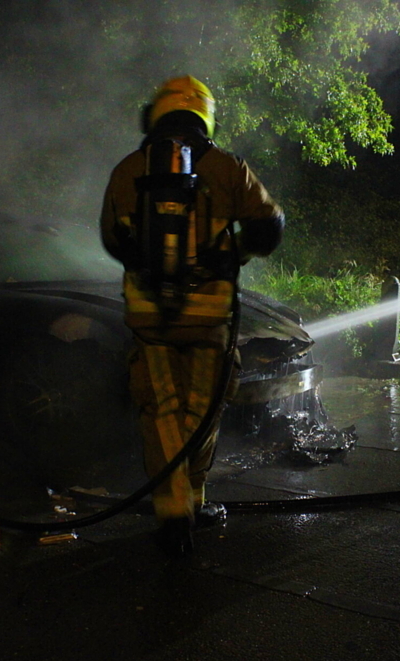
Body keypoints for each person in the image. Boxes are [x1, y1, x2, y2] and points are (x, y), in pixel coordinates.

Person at [100, 76, 284, 555]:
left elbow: (111, 238)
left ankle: (174, 513)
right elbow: (270, 227)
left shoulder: (127, 170)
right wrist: (231, 254)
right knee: (201, 410)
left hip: (150, 320)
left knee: (161, 412)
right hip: (209, 319)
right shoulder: (228, 168)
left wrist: (150, 264)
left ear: (154, 115)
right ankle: (192, 502)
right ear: (206, 116)